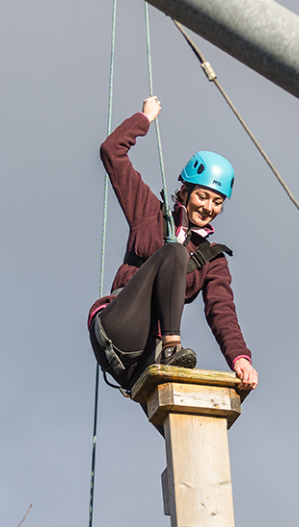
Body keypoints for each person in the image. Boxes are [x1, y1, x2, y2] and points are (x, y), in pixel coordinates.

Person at [87, 96, 258, 393]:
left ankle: (168, 359)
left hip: (142, 357)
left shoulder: (212, 260)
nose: (208, 207)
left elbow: (222, 309)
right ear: (186, 191)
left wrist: (239, 357)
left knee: (188, 407)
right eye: (202, 196)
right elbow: (111, 152)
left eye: (217, 202)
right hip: (119, 326)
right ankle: (171, 347)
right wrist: (144, 119)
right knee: (174, 252)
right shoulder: (150, 213)